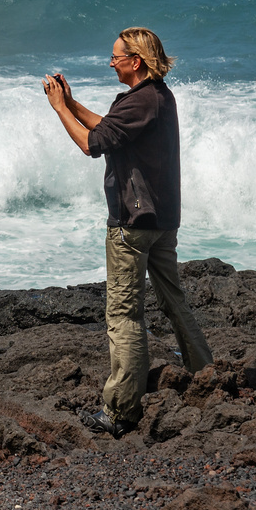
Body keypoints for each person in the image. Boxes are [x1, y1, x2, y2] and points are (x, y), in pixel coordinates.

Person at [42, 26, 214, 438]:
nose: (111, 63)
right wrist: (73, 102)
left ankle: (120, 410)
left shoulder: (141, 100)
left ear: (135, 62)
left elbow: (90, 144)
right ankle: (206, 374)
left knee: (124, 315)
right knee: (175, 302)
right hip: (161, 220)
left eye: (116, 57)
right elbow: (109, 130)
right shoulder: (157, 97)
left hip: (133, 224)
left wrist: (59, 109)